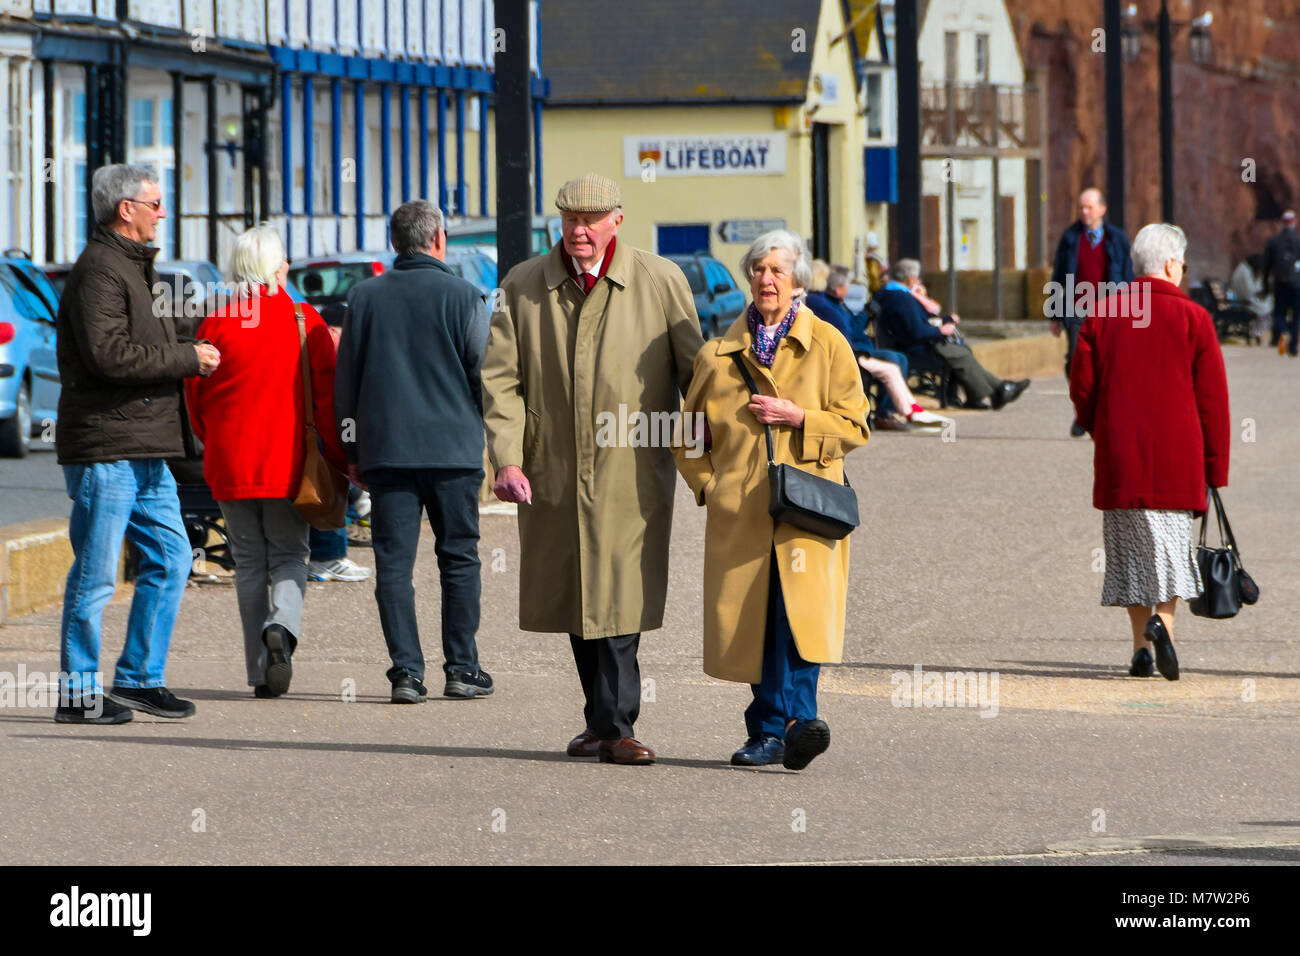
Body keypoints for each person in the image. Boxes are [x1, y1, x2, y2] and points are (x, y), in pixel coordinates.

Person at [483, 172, 703, 765]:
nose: (579, 230)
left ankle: (615, 725)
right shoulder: (522, 285)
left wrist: (707, 454)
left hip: (631, 468)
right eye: (570, 219)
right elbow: (500, 380)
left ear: (616, 221)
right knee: (575, 598)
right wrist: (506, 457)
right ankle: (602, 722)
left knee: (619, 596)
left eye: (591, 219)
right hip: (552, 467)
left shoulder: (660, 281)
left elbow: (697, 376)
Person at [673, 230, 870, 770]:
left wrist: (799, 418)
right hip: (742, 513)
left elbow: (857, 425)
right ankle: (772, 728)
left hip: (808, 509)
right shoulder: (717, 356)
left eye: (778, 270)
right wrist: (710, 487)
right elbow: (686, 435)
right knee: (757, 620)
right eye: (758, 269)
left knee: (800, 618)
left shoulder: (828, 343)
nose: (766, 279)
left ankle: (793, 723)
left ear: (797, 280)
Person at [53, 163, 217, 724]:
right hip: (107, 449)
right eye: (155, 203)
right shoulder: (100, 270)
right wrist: (188, 359)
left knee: (172, 558)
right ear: (126, 209)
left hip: (145, 448)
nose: (161, 212)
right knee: (95, 576)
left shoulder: (135, 268)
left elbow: (144, 344)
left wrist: (193, 343)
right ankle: (77, 694)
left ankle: (140, 679)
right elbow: (110, 356)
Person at [335, 200, 493, 703]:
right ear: (439, 239)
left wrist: (351, 449)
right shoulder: (467, 296)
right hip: (453, 451)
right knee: (459, 558)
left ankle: (406, 672)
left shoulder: (363, 298)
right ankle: (462, 669)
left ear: (394, 241)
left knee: (393, 564)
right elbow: (483, 375)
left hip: (388, 452)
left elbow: (347, 383)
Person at [186, 224, 347, 698]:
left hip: (231, 462)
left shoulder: (215, 323)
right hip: (288, 464)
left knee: (250, 562)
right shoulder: (305, 320)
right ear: (277, 267)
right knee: (291, 556)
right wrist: (336, 456)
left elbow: (197, 402)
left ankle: (259, 671)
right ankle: (282, 627)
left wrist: (214, 440)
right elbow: (327, 398)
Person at [1070, 223, 1230, 681]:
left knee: (1132, 555)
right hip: (1178, 459)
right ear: (1171, 264)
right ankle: (1165, 629)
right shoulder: (1195, 318)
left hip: (1122, 456)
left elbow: (1082, 387)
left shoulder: (1104, 314)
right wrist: (1215, 466)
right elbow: (1213, 401)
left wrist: (1101, 429)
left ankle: (1142, 646)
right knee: (1171, 553)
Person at [804, 266, 947, 430]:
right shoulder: (826, 306)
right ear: (838, 289)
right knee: (892, 365)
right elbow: (846, 334)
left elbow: (853, 328)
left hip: (859, 348)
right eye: (846, 287)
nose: (848, 290)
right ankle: (892, 414)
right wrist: (864, 317)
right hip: (854, 353)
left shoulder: (836, 304)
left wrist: (866, 314)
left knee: (899, 358)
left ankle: (899, 410)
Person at [874, 259, 1029, 410]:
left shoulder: (889, 293)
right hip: (914, 348)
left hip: (906, 343)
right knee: (960, 353)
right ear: (911, 278)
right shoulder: (901, 298)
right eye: (917, 278)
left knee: (961, 350)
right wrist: (940, 331)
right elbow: (917, 330)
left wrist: (946, 320)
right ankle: (997, 391)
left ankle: (995, 391)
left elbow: (921, 320)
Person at [1050, 187, 1135, 436]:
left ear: (1102, 209)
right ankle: (1083, 410)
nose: (1084, 212)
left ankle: (1102, 413)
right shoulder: (1070, 237)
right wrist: (1055, 314)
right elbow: (1058, 276)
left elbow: (1128, 275)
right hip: (1077, 310)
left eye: (1089, 207)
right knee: (1075, 362)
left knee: (1108, 364)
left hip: (1110, 311)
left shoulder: (1117, 239)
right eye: (1081, 207)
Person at [1261, 209, 1300, 356]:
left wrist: (1265, 286)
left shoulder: (1274, 242)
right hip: (1297, 284)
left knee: (1279, 313)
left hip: (1280, 283)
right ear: (1294, 223)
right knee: (1296, 315)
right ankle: (1294, 344)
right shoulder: (1298, 242)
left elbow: (1266, 267)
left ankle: (1283, 333)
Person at [1228, 253, 1269, 346]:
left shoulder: (1243, 269)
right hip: (1243, 301)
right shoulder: (1245, 272)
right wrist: (1259, 281)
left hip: (1242, 300)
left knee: (1266, 306)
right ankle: (1258, 332)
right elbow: (1250, 291)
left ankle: (1258, 332)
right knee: (1266, 307)